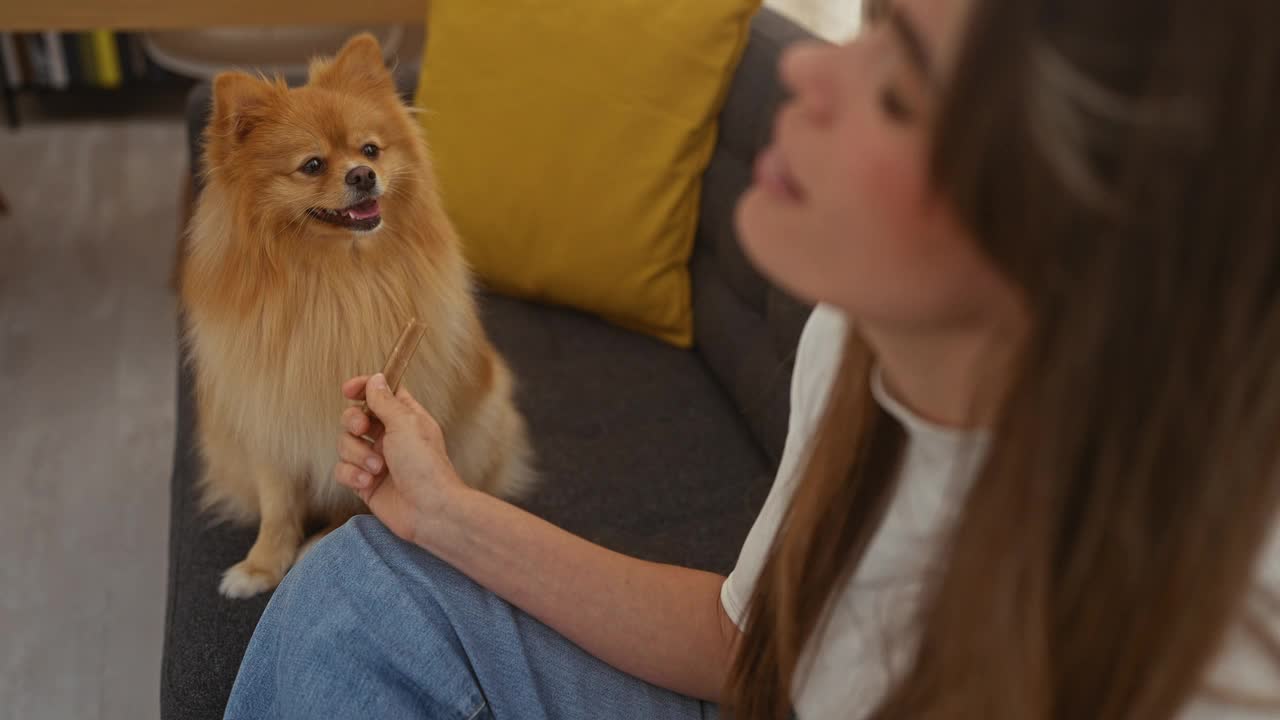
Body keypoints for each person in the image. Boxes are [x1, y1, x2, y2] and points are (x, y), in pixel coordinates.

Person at [224, 0, 1280, 717]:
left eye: (899, 89)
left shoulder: (1222, 642)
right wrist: (445, 512)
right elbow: (753, 648)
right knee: (359, 584)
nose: (812, 68)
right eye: (868, 28)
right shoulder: (851, 343)